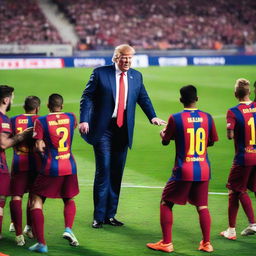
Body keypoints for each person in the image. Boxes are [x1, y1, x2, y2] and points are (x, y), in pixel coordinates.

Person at [79, 44, 166, 228]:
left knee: (117, 172)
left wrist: (153, 116)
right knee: (103, 170)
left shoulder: (136, 76)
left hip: (123, 130)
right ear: (115, 58)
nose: (127, 61)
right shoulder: (100, 73)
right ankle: (98, 216)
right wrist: (84, 120)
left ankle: (111, 215)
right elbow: (87, 96)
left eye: (129, 58)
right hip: (103, 130)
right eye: (123, 57)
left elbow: (143, 98)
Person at [147, 85, 218, 253]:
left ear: (181, 100)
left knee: (166, 202)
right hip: (203, 168)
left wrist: (162, 135)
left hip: (183, 169)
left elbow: (166, 141)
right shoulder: (207, 117)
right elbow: (211, 141)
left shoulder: (176, 118)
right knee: (202, 206)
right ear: (197, 99)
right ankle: (207, 243)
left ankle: (167, 243)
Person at [29, 94, 79, 253]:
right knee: (68, 197)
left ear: (47, 106)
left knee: (36, 199)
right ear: (62, 106)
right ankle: (68, 229)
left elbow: (38, 146)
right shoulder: (71, 117)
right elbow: (73, 126)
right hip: (70, 165)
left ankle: (42, 243)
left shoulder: (41, 121)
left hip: (51, 166)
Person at [220, 78, 256, 240]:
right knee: (238, 191)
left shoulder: (233, 112)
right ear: (249, 92)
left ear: (235, 94)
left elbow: (230, 135)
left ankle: (252, 224)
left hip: (243, 157)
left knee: (237, 189)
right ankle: (231, 229)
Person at [0, 85, 33, 240]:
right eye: (12, 97)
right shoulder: (3, 119)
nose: (13, 100)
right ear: (6, 99)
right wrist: (22, 135)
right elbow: (4, 144)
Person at [9, 96, 41, 246]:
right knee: (34, 198)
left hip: (19, 162)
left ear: (24, 107)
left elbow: (8, 140)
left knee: (16, 197)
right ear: (38, 108)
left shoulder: (13, 119)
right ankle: (30, 227)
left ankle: (18, 234)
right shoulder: (42, 120)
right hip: (36, 164)